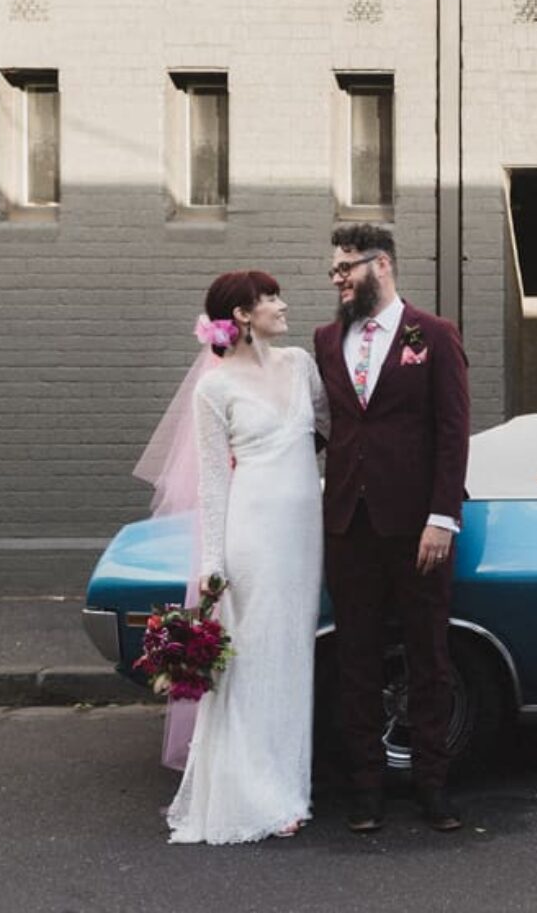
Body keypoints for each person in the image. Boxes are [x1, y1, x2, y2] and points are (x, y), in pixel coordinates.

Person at [159, 269, 329, 844]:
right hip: (252, 534)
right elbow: (212, 480)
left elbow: (329, 431)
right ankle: (255, 793)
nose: (282, 306)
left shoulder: (300, 365)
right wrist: (213, 562)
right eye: (270, 299)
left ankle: (289, 784)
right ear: (242, 315)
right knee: (253, 658)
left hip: (303, 532)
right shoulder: (216, 388)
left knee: (292, 655)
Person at [314, 225, 470, 833]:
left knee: (429, 656)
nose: (337, 278)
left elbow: (453, 433)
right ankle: (366, 791)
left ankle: (433, 788)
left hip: (416, 529)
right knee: (355, 659)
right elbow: (326, 427)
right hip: (348, 527)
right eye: (334, 269)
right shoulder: (329, 340)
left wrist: (441, 518)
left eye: (346, 267)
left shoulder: (433, 335)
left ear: (381, 265)